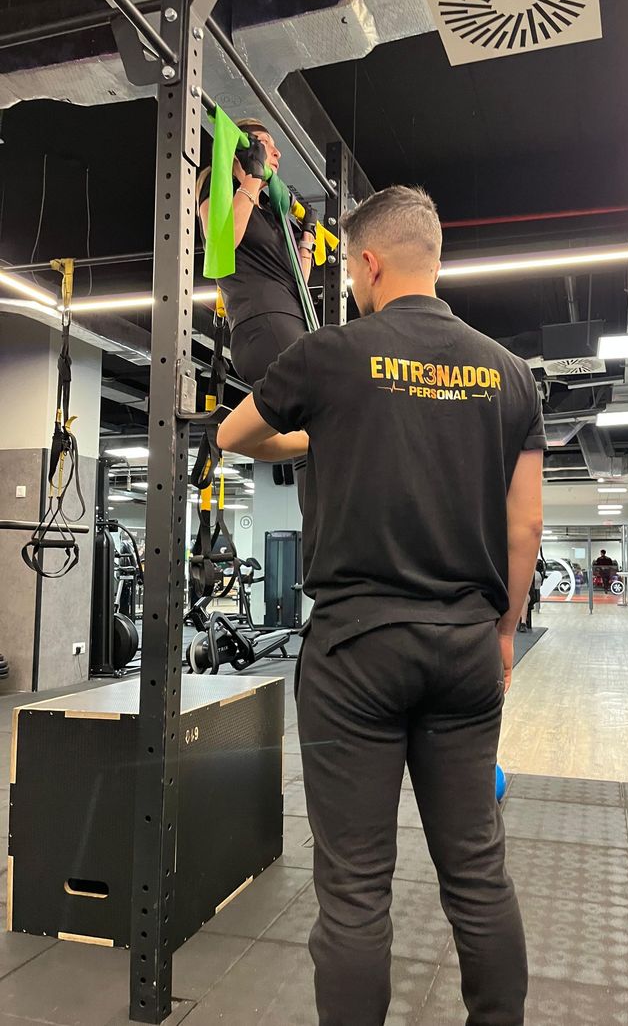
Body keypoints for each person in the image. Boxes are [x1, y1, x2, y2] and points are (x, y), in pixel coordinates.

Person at [218, 185, 545, 1026]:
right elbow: (526, 525)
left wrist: (320, 429)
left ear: (367, 262)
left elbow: (232, 435)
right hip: (464, 647)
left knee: (355, 890)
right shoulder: (509, 373)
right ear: (432, 257)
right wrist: (505, 631)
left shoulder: (331, 354)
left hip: (355, 652)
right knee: (477, 872)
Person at [196, 118, 316, 386]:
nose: (277, 152)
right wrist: (252, 178)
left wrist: (307, 235)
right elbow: (222, 243)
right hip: (261, 323)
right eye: (265, 144)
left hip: (292, 321)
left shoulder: (273, 213)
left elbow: (298, 282)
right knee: (314, 399)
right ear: (244, 151)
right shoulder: (218, 186)